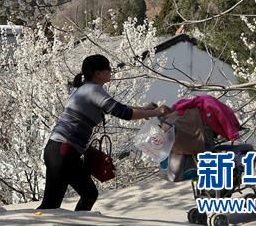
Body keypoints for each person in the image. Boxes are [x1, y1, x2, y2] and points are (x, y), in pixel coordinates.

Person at [38, 54, 171, 211]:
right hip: (64, 151)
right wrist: (156, 112)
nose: (111, 71)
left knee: (52, 205)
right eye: (107, 68)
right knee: (86, 195)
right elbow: (124, 114)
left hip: (57, 149)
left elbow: (118, 107)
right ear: (98, 73)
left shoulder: (85, 89)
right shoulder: (93, 90)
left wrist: (146, 109)